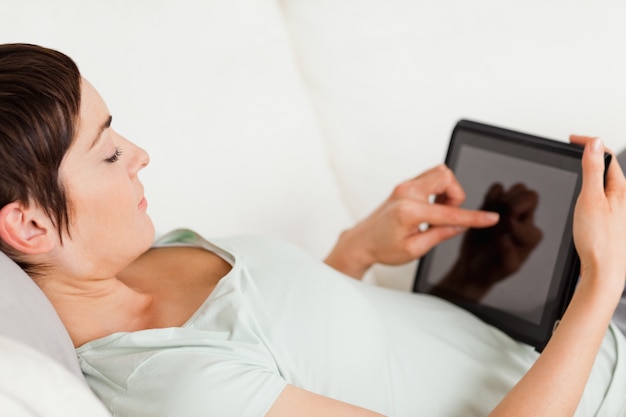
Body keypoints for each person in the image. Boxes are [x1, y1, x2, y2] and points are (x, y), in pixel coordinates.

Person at [0, 43, 625, 417]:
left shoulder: (130, 255)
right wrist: (598, 282)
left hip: (541, 329)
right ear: (29, 226)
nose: (137, 154)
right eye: (106, 153)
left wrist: (357, 252)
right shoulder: (178, 388)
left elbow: (297, 352)